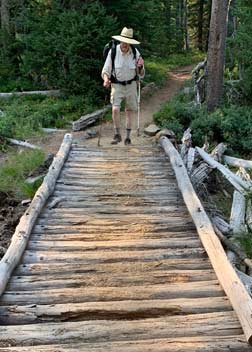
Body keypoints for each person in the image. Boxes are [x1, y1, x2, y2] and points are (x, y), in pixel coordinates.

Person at [101, 27, 145, 145]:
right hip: (117, 85)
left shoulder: (135, 53)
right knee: (115, 109)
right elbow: (106, 70)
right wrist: (106, 79)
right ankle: (117, 135)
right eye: (123, 41)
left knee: (129, 110)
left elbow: (141, 73)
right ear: (120, 40)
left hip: (131, 85)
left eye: (127, 42)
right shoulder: (113, 52)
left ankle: (128, 137)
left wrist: (140, 67)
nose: (125, 44)